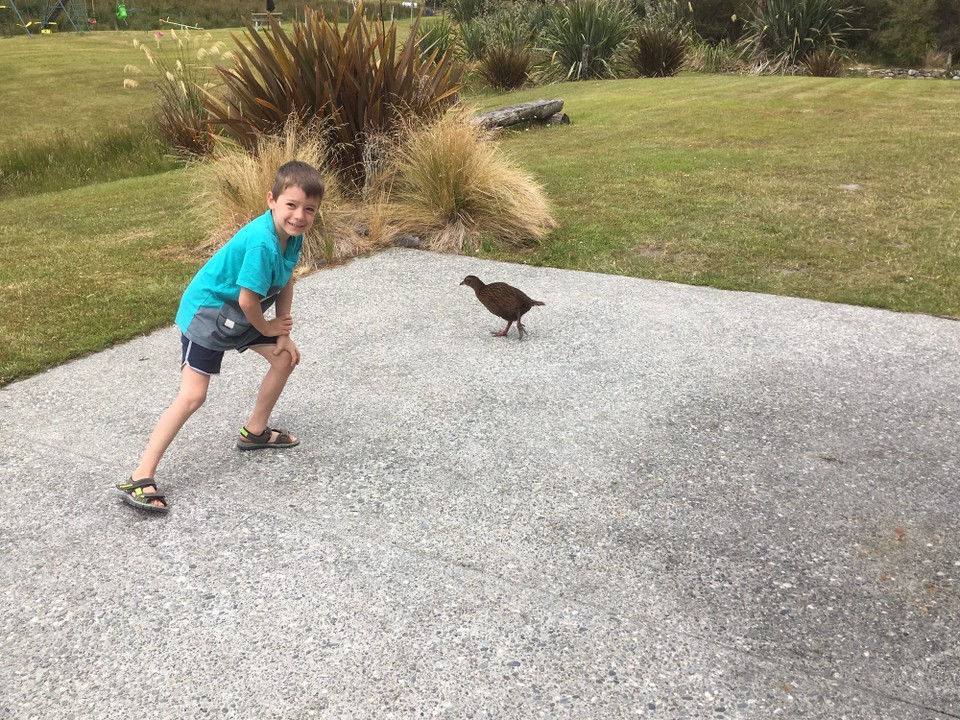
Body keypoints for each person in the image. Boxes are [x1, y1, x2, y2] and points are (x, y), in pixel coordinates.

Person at [117, 160, 325, 513]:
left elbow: (286, 279)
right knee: (193, 396)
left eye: (309, 209)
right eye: (291, 205)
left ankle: (255, 432)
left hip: (243, 314)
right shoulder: (262, 243)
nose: (299, 215)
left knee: (284, 358)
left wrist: (283, 330)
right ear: (271, 200)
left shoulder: (293, 237)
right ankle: (140, 476)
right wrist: (269, 328)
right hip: (209, 313)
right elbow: (247, 299)